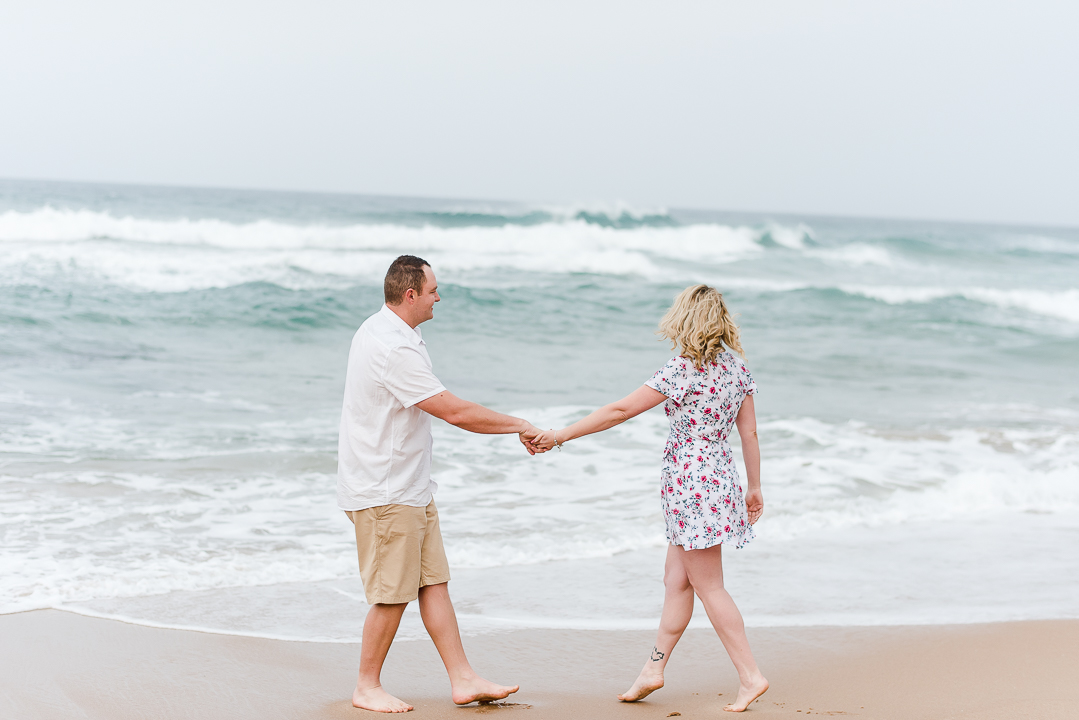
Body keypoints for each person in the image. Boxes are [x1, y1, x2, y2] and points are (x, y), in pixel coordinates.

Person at [530, 284, 768, 713]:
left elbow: (620, 411)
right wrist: (754, 487)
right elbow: (748, 433)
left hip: (689, 485)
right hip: (719, 479)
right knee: (676, 580)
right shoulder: (738, 370)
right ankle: (652, 670)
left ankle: (751, 675)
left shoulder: (681, 369)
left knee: (710, 586)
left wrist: (560, 435)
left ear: (684, 320)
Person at [338, 255, 545, 713]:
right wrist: (519, 424)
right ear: (410, 294)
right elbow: (454, 411)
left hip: (410, 486)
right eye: (433, 290)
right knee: (392, 595)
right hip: (386, 491)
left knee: (433, 583)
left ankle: (463, 678)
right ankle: (366, 686)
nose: (439, 297)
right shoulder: (392, 346)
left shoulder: (386, 330)